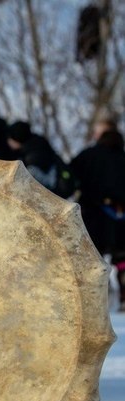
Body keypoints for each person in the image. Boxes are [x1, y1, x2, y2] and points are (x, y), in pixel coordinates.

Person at [71, 125, 125, 307]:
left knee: (93, 257)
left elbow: (70, 176)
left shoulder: (88, 155)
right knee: (123, 258)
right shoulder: (122, 157)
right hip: (120, 217)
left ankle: (95, 298)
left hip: (92, 215)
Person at [6, 120, 74, 198]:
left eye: (9, 138)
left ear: (17, 139)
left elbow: (38, 186)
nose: (8, 142)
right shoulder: (38, 143)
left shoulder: (32, 158)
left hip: (53, 195)